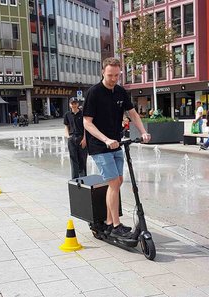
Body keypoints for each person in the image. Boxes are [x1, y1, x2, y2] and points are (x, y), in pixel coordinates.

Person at [83, 57, 151, 238]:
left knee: (118, 181)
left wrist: (143, 131)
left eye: (117, 75)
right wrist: (105, 139)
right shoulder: (94, 93)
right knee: (113, 183)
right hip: (99, 145)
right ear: (103, 73)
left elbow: (133, 114)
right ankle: (116, 225)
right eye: (110, 75)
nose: (114, 79)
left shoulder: (120, 92)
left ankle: (108, 222)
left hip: (116, 143)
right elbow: (87, 123)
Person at [64, 98, 87, 179]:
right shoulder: (67, 114)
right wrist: (68, 137)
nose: (73, 105)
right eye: (72, 103)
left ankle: (84, 179)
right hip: (72, 138)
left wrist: (85, 139)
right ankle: (74, 179)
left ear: (78, 104)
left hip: (81, 138)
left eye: (75, 103)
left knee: (83, 159)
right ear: (70, 104)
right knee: (73, 160)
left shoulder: (83, 114)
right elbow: (66, 126)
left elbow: (86, 127)